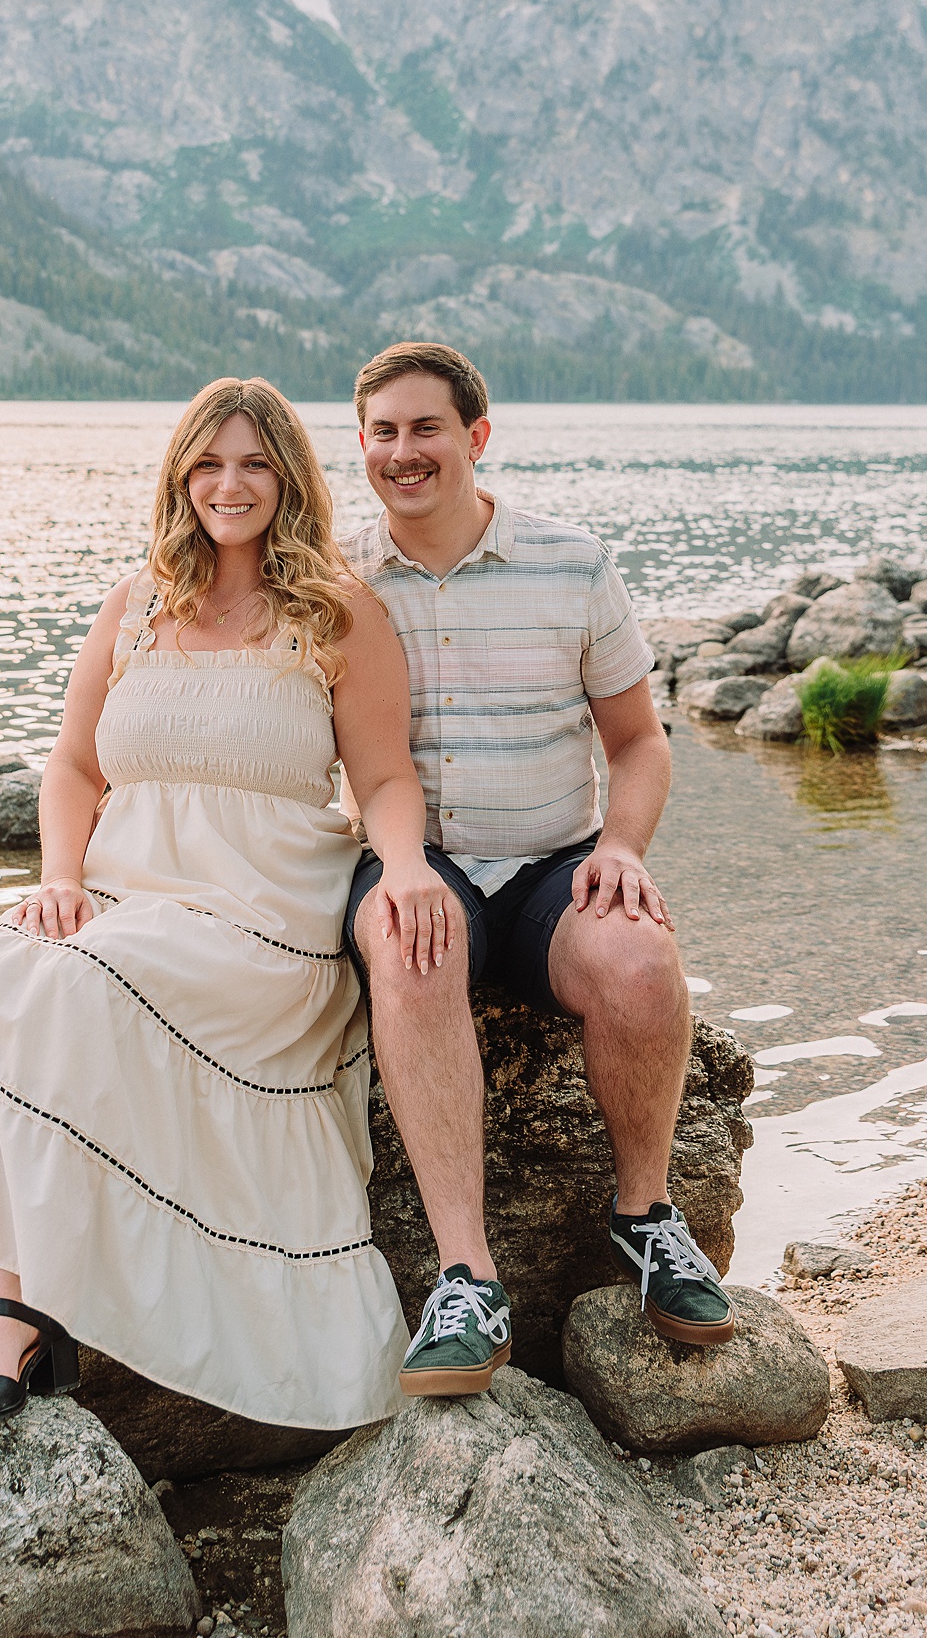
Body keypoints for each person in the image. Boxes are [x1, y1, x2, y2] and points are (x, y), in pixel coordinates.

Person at [0, 376, 442, 1436]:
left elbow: (387, 777)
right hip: (124, 899)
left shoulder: (337, 610)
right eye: (209, 463)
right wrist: (61, 877)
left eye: (255, 463)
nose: (231, 483)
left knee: (74, 988)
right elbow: (73, 767)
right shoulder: (135, 605)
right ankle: (16, 1311)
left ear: (290, 480)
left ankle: (11, 1322)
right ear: (180, 477)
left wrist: (402, 867)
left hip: (259, 920)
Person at [338, 340, 735, 1398]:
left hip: (555, 867)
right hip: (415, 864)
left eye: (424, 429)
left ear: (474, 438)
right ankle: (469, 1279)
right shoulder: (335, 581)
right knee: (408, 946)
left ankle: (645, 1217)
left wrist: (619, 850)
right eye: (380, 432)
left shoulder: (572, 562)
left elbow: (640, 743)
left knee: (643, 963)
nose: (401, 452)